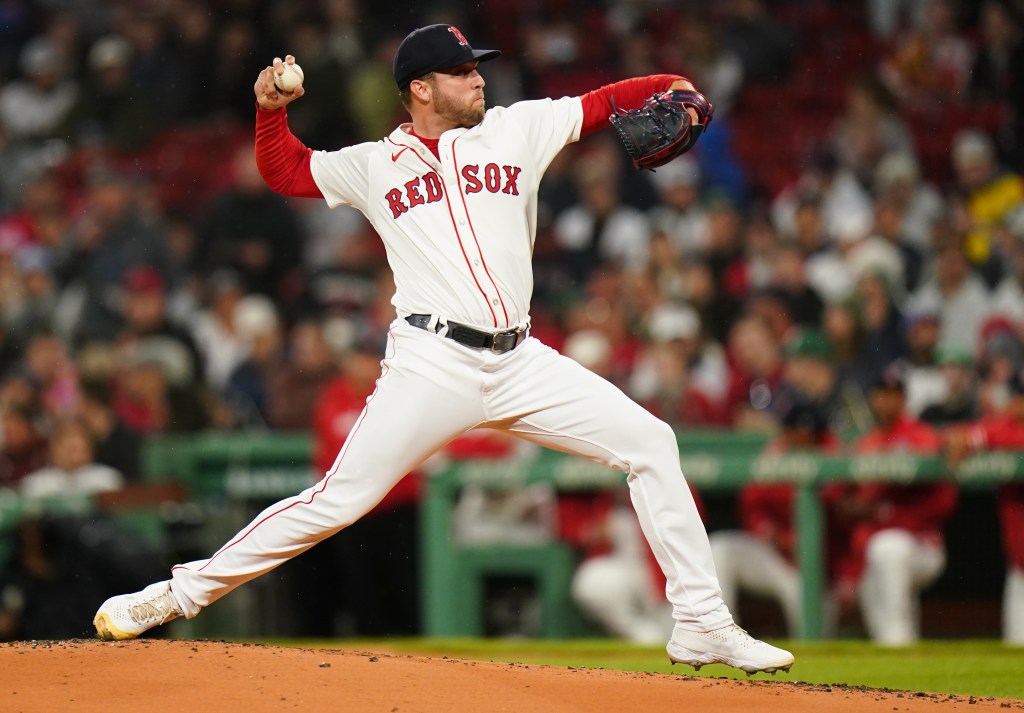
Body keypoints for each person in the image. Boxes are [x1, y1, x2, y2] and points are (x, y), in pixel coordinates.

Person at [93, 24, 793, 675]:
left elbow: (608, 100)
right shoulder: (375, 165)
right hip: (431, 363)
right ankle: (173, 595)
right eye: (461, 72)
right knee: (336, 500)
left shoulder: (518, 128)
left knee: (651, 440)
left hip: (521, 361)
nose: (479, 80)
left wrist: (677, 86)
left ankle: (701, 618)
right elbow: (285, 172)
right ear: (420, 89)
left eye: (477, 68)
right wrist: (270, 110)